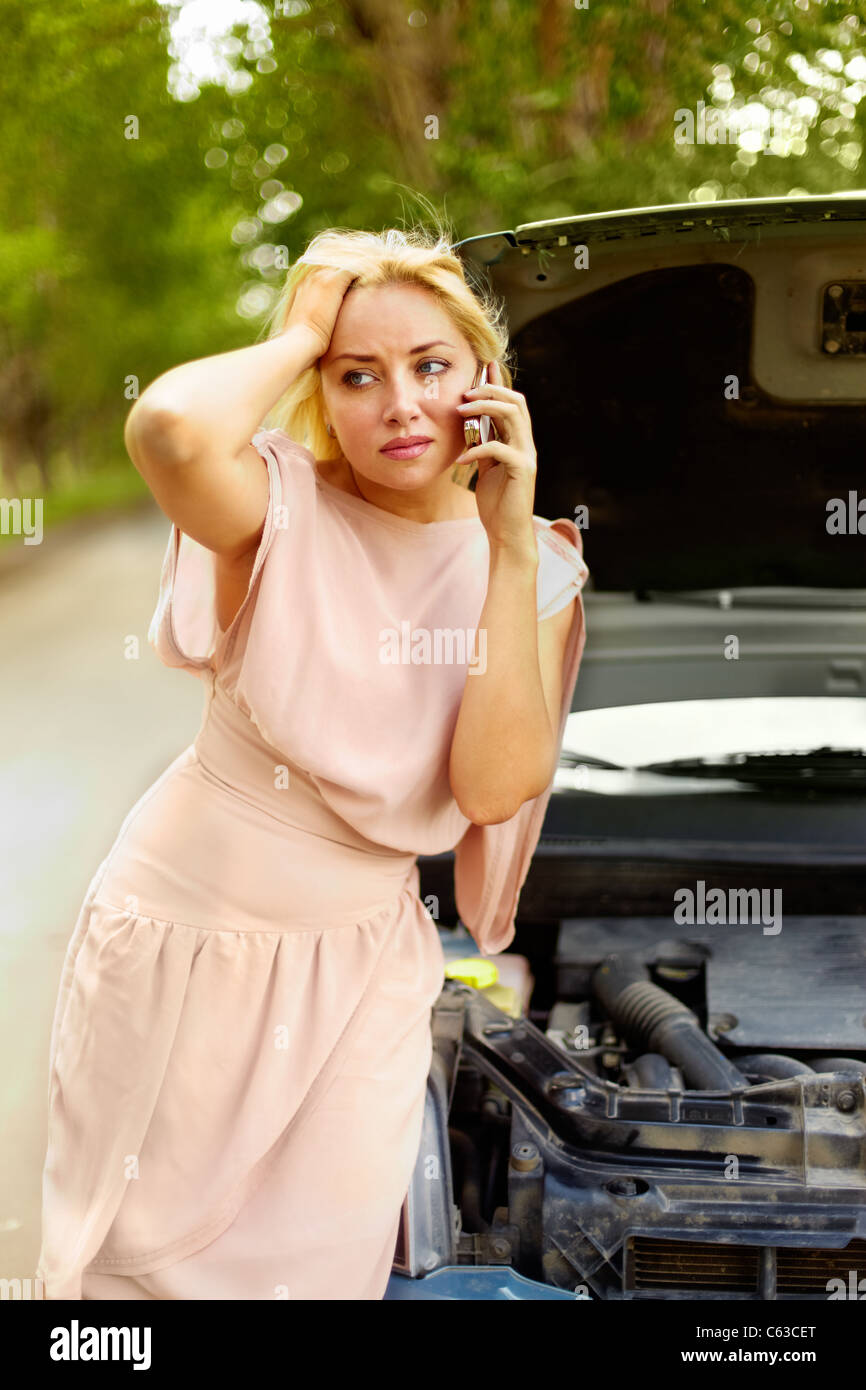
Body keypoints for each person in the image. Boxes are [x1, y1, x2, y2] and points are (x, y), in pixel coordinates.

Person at [35, 223, 590, 1301]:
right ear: (319, 392)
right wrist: (298, 330)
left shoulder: (532, 563)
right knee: (137, 1276)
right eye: (356, 374)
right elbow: (168, 428)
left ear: (484, 377)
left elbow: (489, 784)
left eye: (429, 365)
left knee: (314, 1277)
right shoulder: (278, 504)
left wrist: (508, 545)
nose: (399, 404)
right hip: (183, 943)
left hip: (357, 971)